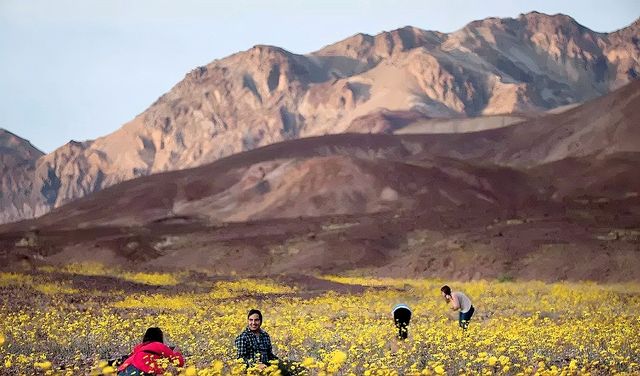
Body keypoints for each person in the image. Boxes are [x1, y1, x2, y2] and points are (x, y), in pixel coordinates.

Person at [117, 327, 184, 375]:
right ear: (160, 338)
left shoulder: (139, 347)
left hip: (123, 370)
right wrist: (177, 352)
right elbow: (179, 362)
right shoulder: (158, 345)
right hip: (140, 370)